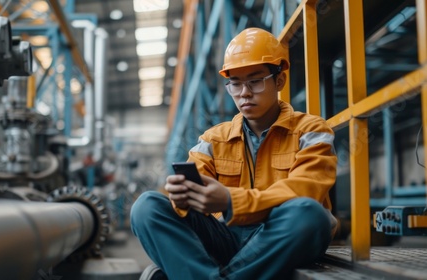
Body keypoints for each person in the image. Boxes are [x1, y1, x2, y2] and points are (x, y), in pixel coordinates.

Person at [131, 27, 338, 280]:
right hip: (226, 236)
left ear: (279, 81)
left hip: (278, 237)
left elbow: (306, 190)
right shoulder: (212, 139)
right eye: (235, 84)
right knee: (147, 206)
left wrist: (230, 201)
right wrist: (182, 197)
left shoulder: (312, 130)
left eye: (255, 81)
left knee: (310, 214)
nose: (244, 93)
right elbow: (186, 198)